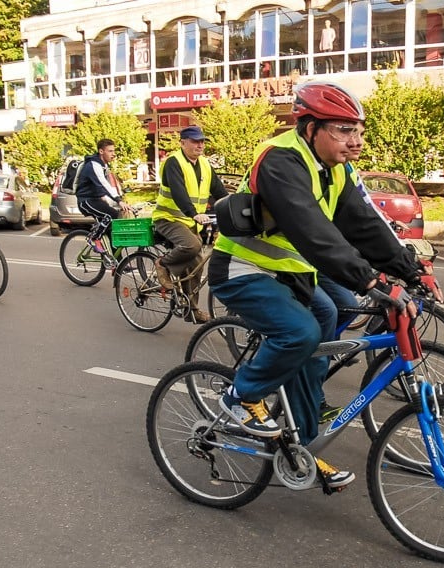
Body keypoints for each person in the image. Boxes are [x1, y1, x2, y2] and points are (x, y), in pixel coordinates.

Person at [208, 81, 425, 490]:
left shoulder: (335, 171)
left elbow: (363, 225)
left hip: (289, 273)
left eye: (358, 130)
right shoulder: (280, 160)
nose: (355, 141)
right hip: (242, 268)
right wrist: (372, 281)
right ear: (310, 128)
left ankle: (303, 448)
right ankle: (240, 396)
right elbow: (314, 232)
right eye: (343, 130)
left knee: (322, 332)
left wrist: (410, 270)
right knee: (301, 332)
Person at [152, 126, 226, 324]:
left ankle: (190, 309)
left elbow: (219, 190)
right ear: (182, 142)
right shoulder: (173, 162)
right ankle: (163, 264)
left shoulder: (205, 164)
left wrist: (232, 207)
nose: (200, 145)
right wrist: (194, 214)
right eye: (195, 141)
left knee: (197, 264)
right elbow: (178, 192)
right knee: (192, 245)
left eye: (202, 141)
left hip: (191, 222)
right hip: (168, 218)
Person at [76, 139, 132, 251]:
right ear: (101, 151)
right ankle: (94, 239)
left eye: (113, 151)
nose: (113, 154)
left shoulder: (102, 165)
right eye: (110, 151)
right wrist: (118, 200)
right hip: (85, 201)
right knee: (110, 215)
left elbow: (96, 185)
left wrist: (103, 198)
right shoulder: (93, 165)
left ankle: (116, 264)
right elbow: (104, 184)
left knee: (113, 225)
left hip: (94, 199)